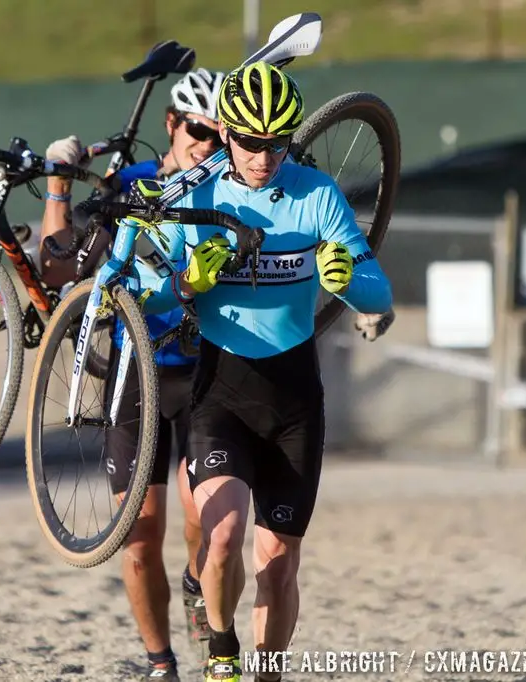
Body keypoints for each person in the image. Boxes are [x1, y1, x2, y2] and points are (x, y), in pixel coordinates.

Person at [131, 62, 395, 682]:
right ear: (227, 135)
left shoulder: (317, 194)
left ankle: (267, 674)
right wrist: (185, 282)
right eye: (250, 141)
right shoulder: (197, 195)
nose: (263, 156)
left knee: (278, 563)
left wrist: (349, 280)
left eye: (277, 142)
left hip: (295, 399)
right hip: (220, 392)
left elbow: (381, 294)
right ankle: (220, 647)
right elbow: (144, 294)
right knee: (220, 540)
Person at [37, 68, 228, 681]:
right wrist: (58, 188)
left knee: (208, 524)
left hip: (207, 373)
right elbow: (60, 268)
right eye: (200, 130)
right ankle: (160, 663)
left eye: (223, 137)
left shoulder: (229, 183)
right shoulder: (132, 184)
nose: (210, 144)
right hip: (135, 376)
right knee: (139, 539)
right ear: (171, 124)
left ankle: (201, 587)